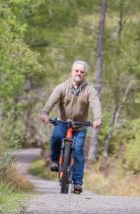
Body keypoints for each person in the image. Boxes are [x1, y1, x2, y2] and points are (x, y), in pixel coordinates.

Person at [40, 60, 102, 194]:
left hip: (80, 126)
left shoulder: (89, 90)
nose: (79, 73)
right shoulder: (62, 87)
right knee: (56, 137)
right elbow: (52, 100)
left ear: (85, 74)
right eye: (76, 71)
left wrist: (97, 119)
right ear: (72, 72)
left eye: (82, 72)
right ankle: (55, 161)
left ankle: (78, 182)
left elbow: (95, 104)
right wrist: (45, 113)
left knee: (79, 151)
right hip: (63, 122)